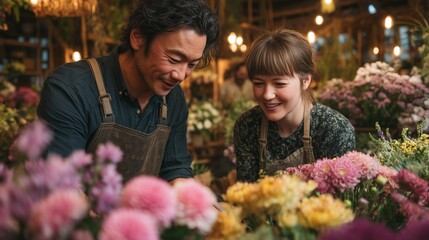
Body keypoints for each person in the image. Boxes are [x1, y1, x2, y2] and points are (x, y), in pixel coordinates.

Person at [37, 0, 220, 184]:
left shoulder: (173, 98)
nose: (180, 75)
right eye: (173, 59)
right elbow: (62, 184)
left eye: (191, 65)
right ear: (138, 38)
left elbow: (175, 169)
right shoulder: (72, 88)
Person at [233, 29, 355, 183]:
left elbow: (340, 202)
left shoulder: (333, 129)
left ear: (305, 81)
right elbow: (246, 194)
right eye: (258, 83)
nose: (267, 95)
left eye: (279, 84)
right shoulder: (248, 125)